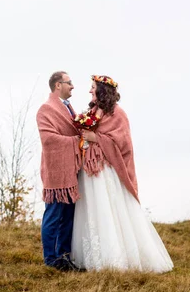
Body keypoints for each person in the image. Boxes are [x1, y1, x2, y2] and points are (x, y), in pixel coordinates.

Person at [71, 75, 173, 272]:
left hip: (106, 170)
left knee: (108, 208)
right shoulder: (91, 112)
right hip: (90, 169)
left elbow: (123, 143)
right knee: (92, 209)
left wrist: (96, 137)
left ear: (102, 90)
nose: (90, 91)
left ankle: (116, 259)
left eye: (93, 87)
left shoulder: (118, 114)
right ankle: (94, 258)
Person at [36, 71, 84, 272]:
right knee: (54, 215)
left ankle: (64, 257)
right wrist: (77, 141)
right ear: (58, 85)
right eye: (69, 82)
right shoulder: (45, 110)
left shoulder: (69, 108)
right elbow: (49, 139)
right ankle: (51, 259)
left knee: (68, 216)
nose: (72, 86)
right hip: (56, 172)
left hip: (70, 171)